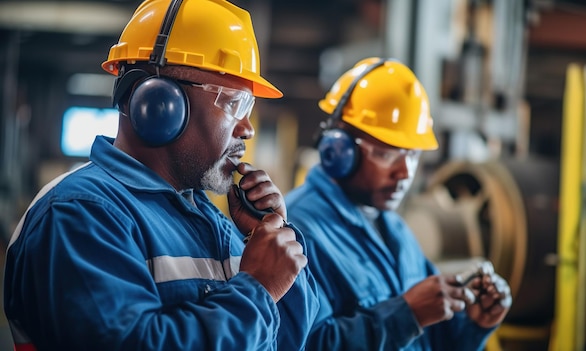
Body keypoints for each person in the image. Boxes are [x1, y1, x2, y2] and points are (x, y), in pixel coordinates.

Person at [3, 0, 319, 350]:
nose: (247, 129)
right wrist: (257, 289)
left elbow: (292, 340)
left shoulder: (212, 219)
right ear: (160, 103)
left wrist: (272, 237)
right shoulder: (79, 213)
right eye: (233, 104)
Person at [284, 57, 512, 350]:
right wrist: (407, 314)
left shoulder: (394, 229)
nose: (404, 172)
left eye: (413, 155)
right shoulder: (296, 231)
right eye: (386, 154)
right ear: (337, 149)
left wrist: (473, 325)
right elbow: (308, 344)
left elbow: (430, 339)